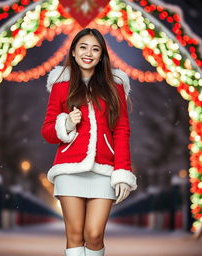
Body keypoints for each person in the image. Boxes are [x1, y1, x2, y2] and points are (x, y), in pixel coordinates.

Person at [41, 28, 137, 256]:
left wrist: (122, 171)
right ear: (73, 51)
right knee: (74, 235)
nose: (88, 53)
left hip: (104, 169)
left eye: (95, 49)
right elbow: (47, 132)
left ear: (102, 55)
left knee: (94, 235)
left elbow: (122, 130)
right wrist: (65, 124)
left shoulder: (116, 86)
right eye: (83, 47)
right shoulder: (60, 84)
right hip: (69, 169)